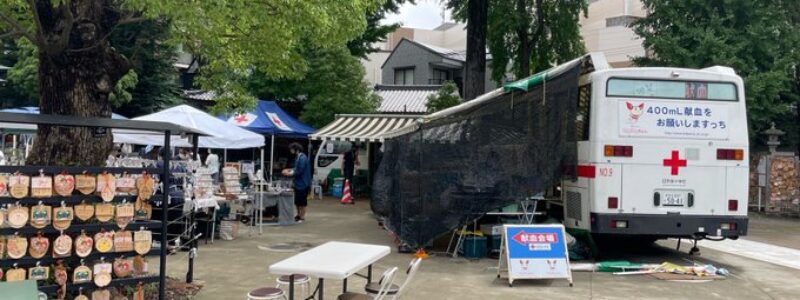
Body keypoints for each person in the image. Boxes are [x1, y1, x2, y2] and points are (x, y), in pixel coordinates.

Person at [282, 143, 311, 223]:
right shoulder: (298, 157)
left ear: (296, 149)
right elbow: (296, 168)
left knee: (302, 201)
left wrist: (289, 173)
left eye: (292, 149)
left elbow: (299, 170)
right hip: (298, 182)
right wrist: (289, 170)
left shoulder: (302, 158)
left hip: (303, 183)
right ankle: (298, 215)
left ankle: (302, 217)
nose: (291, 151)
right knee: (297, 201)